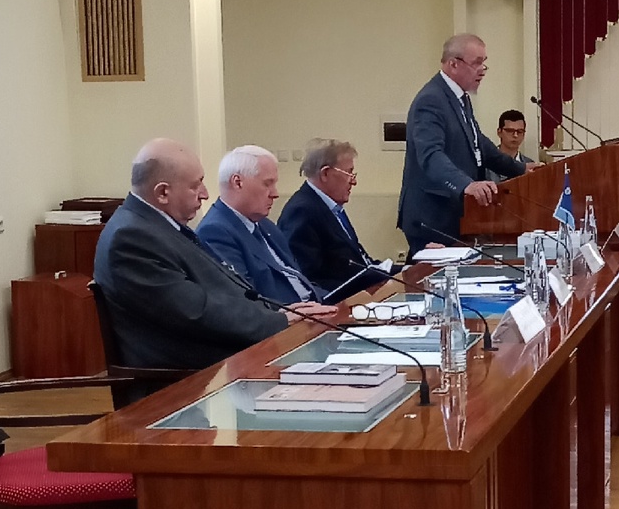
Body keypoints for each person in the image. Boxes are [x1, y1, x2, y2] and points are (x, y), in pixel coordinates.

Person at [92, 138, 333, 380]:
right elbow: (196, 311)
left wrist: (279, 311)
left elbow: (227, 289)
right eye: (195, 185)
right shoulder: (131, 237)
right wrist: (278, 321)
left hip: (224, 364)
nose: (205, 194)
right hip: (186, 380)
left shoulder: (157, 226)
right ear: (163, 192)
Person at [398, 32, 525, 254]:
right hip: (433, 217)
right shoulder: (431, 100)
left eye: (484, 63)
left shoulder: (460, 98)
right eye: (477, 63)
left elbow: (479, 145)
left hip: (455, 215)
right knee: (430, 275)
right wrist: (466, 184)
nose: (482, 70)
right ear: (453, 64)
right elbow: (431, 155)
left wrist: (521, 169)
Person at [197, 145, 331, 304]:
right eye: (267, 184)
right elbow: (245, 301)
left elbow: (298, 282)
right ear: (238, 182)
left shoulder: (266, 225)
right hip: (287, 316)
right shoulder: (214, 232)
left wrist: (337, 299)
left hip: (314, 308)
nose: (275, 194)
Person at [278, 138, 397, 300]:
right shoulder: (302, 211)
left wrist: (404, 270)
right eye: (349, 173)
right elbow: (309, 280)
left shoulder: (331, 207)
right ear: (325, 173)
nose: (354, 181)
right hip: (342, 303)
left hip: (364, 293)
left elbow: (361, 262)